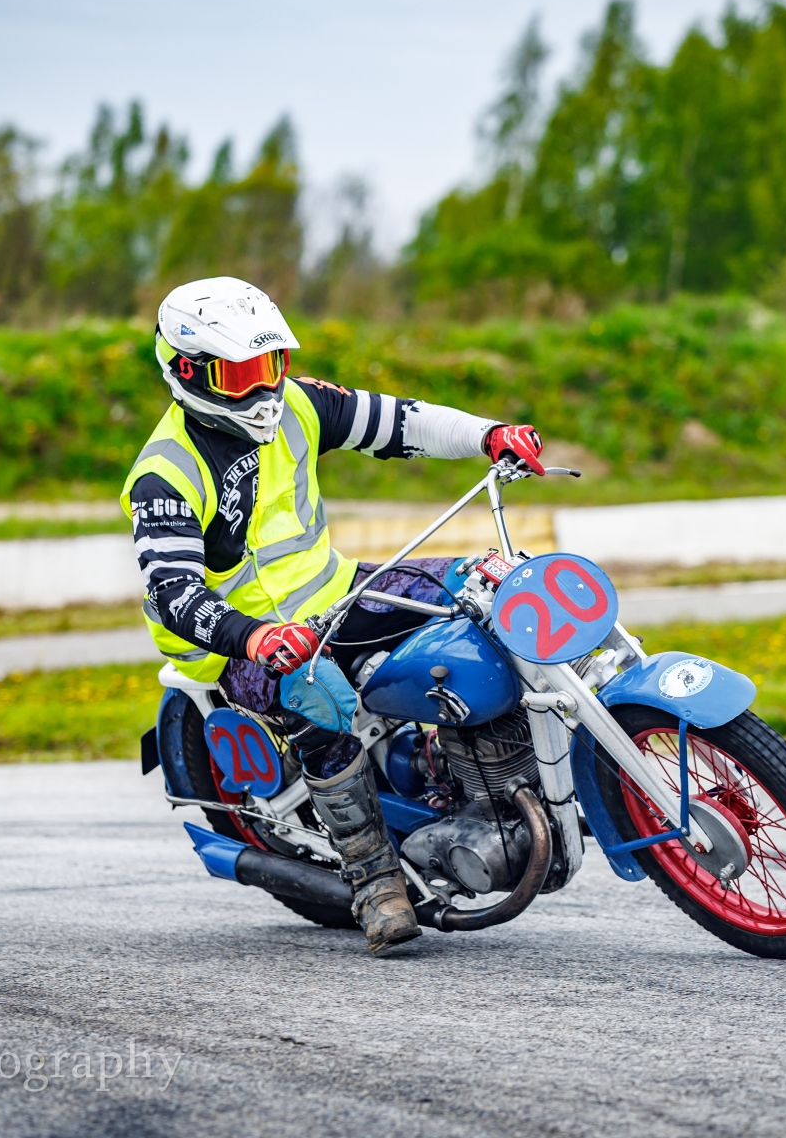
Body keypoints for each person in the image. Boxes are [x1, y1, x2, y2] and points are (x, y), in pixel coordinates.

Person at [121, 276, 545, 955]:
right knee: (312, 695)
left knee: (488, 583)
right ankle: (374, 878)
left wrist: (488, 435)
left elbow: (401, 422)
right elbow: (172, 594)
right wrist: (254, 636)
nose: (263, 388)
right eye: (240, 375)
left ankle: (489, 770)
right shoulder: (164, 474)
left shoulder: (299, 404)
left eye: (270, 365)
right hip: (240, 643)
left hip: (336, 593)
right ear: (188, 372)